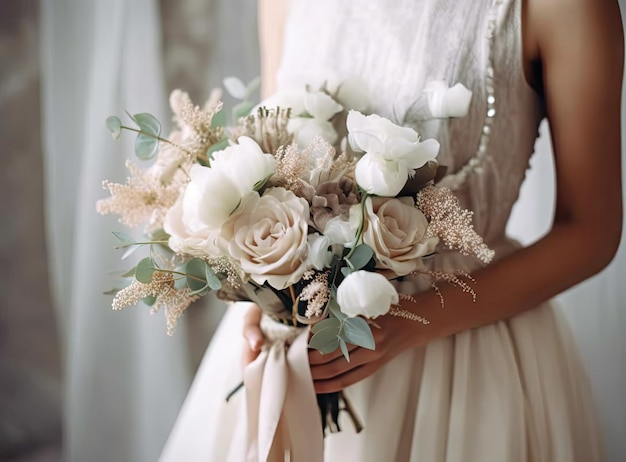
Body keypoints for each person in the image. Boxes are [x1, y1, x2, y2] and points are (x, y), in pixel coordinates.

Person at [161, 0, 623, 460]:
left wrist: (408, 324)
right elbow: (270, 154)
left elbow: (589, 232)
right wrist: (262, 298)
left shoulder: (563, 7)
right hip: (294, 343)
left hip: (465, 359)